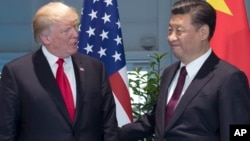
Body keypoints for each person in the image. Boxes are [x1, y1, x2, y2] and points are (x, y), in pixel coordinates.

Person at [119, 0, 250, 141]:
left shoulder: (229, 78)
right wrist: (107, 134)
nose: (171, 37)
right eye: (170, 30)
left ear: (203, 32)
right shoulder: (169, 73)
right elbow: (155, 120)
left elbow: (238, 133)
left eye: (179, 31)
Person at [0, 2, 119, 141]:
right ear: (46, 38)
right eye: (66, 30)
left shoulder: (95, 68)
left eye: (75, 27)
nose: (75, 34)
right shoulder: (17, 73)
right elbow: (6, 131)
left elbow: (109, 125)